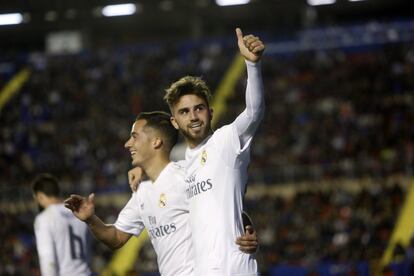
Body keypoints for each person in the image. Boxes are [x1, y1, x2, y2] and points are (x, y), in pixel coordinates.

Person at [64, 112, 256, 276]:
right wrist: (90, 219)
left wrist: (247, 230)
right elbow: (115, 237)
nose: (127, 143)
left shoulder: (185, 177)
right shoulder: (142, 192)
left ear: (156, 142)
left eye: (134, 136)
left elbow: (226, 207)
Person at [163, 27, 265, 275]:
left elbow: (254, 112)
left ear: (211, 112)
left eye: (199, 108)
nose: (193, 116)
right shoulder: (178, 163)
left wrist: (252, 66)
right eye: (184, 112)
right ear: (174, 121)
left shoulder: (226, 140)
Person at [32, 174, 92, 276]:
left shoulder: (44, 218)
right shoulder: (78, 212)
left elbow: (48, 259)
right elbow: (89, 252)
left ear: (40, 196)